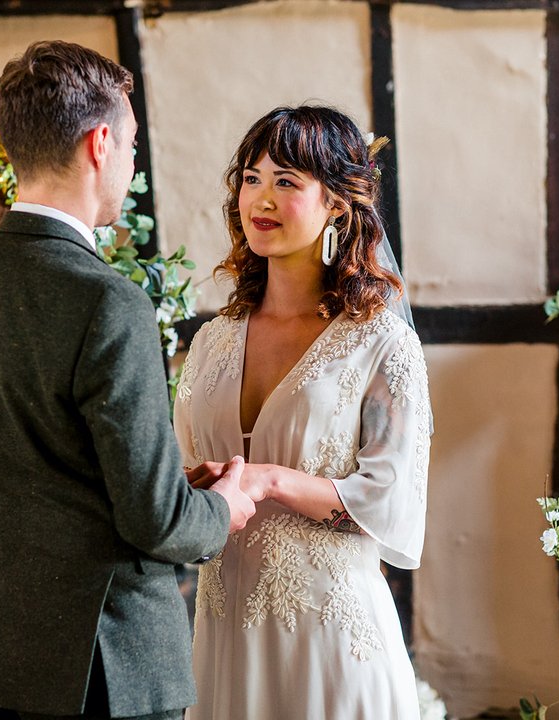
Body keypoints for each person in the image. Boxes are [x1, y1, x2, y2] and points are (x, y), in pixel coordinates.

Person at [0, 40, 256, 720]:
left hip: (1, 657)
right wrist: (223, 508)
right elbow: (157, 522)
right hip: (111, 663)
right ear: (101, 142)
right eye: (131, 147)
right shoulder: (109, 302)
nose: (132, 166)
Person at [174, 106, 432, 719]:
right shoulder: (214, 338)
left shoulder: (381, 344)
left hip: (331, 637)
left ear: (338, 205)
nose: (259, 198)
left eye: (286, 181)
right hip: (222, 635)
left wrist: (270, 479)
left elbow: (390, 507)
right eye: (251, 178)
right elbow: (189, 475)